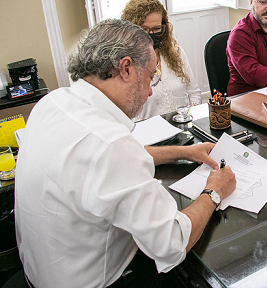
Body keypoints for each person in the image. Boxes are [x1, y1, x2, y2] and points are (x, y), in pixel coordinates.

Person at [14, 19, 236, 288]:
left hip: (39, 271)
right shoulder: (111, 145)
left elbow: (103, 160)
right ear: (127, 68)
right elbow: (172, 243)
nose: (151, 89)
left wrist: (185, 152)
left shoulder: (52, 102)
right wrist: (214, 192)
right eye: (151, 75)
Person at [121, 0, 201, 120]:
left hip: (183, 127)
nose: (152, 34)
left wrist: (191, 120)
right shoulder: (126, 65)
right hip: (150, 134)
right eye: (145, 29)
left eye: (157, 28)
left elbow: (194, 94)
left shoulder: (176, 53)